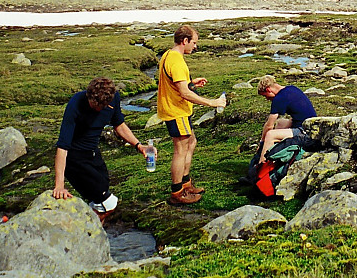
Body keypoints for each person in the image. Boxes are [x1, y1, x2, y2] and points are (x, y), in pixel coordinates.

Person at [52, 76, 150, 223]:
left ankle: (94, 234)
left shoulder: (113, 99)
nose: (94, 107)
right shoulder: (76, 103)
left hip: (93, 152)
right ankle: (85, 228)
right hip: (74, 158)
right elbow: (62, 146)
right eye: (92, 103)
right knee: (109, 202)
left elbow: (119, 124)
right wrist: (59, 185)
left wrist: (139, 145)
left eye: (98, 105)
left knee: (101, 191)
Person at [158, 25, 226, 205]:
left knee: (191, 142)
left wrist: (191, 83)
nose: (195, 46)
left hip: (177, 110)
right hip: (176, 111)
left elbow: (179, 86)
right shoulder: (177, 61)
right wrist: (212, 102)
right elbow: (184, 93)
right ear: (185, 41)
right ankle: (177, 192)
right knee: (180, 150)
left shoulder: (168, 55)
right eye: (194, 42)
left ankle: (186, 183)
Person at [256, 75, 317, 156]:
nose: (267, 99)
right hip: (313, 126)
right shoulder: (291, 88)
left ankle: (262, 164)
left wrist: (262, 142)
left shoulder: (279, 98)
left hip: (306, 133)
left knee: (270, 135)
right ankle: (275, 149)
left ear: (268, 90)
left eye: (265, 95)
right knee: (280, 122)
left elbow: (269, 125)